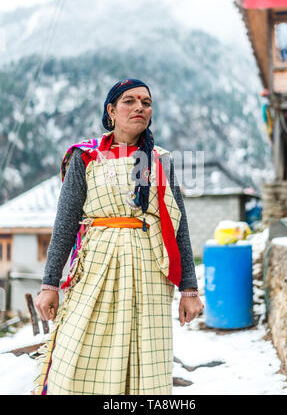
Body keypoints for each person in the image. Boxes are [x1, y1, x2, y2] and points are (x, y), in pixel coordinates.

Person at [33, 78, 204, 395]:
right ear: (110, 111)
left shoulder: (155, 160)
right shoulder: (86, 158)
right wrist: (49, 284)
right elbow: (66, 222)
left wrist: (189, 289)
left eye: (146, 102)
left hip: (149, 273)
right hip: (96, 268)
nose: (140, 106)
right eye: (129, 100)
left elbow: (178, 225)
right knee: (78, 350)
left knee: (144, 361)